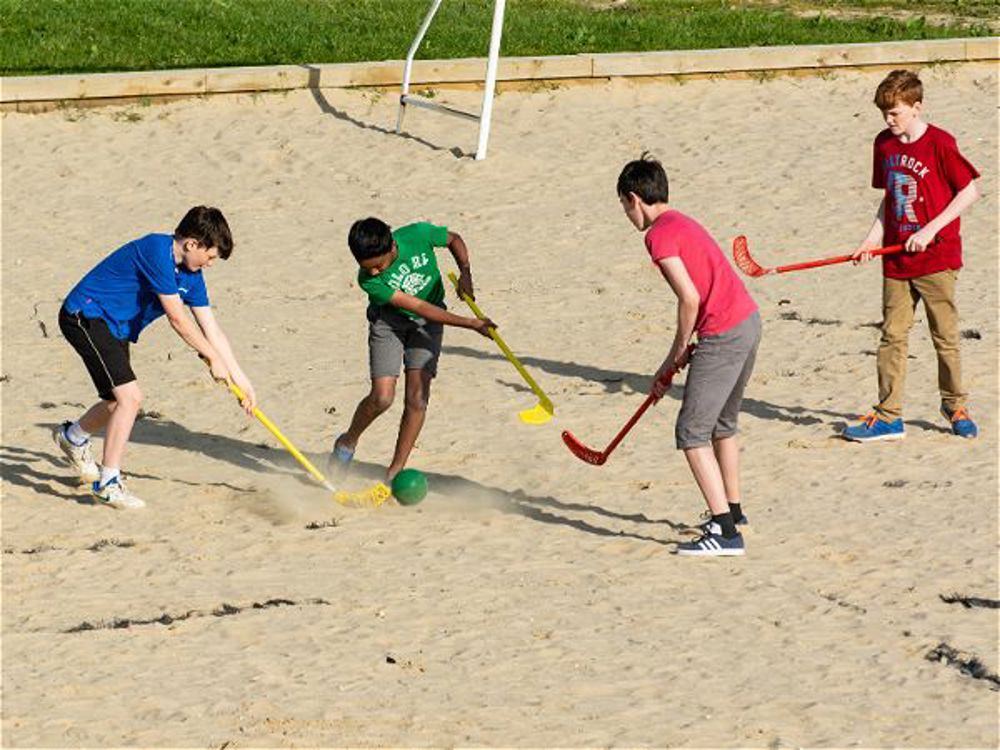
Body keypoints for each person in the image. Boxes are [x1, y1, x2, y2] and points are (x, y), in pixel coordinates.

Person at [54, 206, 257, 510]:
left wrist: (241, 378)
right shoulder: (156, 250)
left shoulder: (192, 276)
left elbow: (211, 328)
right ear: (191, 244)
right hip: (85, 315)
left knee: (115, 401)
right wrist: (211, 357)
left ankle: (73, 436)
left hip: (115, 327)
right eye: (211, 256)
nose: (211, 264)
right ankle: (108, 483)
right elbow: (177, 319)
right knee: (130, 398)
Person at [617, 155, 761, 557]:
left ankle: (725, 532)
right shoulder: (682, 220)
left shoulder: (658, 236)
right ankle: (733, 510)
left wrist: (674, 356)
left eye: (625, 208)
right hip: (747, 322)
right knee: (722, 425)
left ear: (634, 199)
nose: (628, 217)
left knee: (691, 432)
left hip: (724, 333)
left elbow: (689, 297)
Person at [845, 69, 981, 442]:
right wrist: (870, 241)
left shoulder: (940, 143)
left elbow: (969, 192)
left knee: (945, 337)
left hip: (937, 258)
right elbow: (889, 200)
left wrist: (930, 230)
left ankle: (955, 406)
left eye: (896, 113)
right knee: (892, 337)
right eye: (885, 114)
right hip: (896, 260)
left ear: (917, 107)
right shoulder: (884, 145)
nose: (889, 120)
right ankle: (889, 415)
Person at [333, 217, 493, 482]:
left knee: (417, 399)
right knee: (382, 398)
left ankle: (395, 471)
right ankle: (347, 442)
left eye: (378, 266)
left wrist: (465, 272)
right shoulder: (368, 280)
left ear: (393, 246)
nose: (373, 273)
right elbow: (418, 306)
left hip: (428, 326)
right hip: (389, 324)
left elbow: (453, 239)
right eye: (367, 268)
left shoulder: (418, 234)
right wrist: (470, 323)